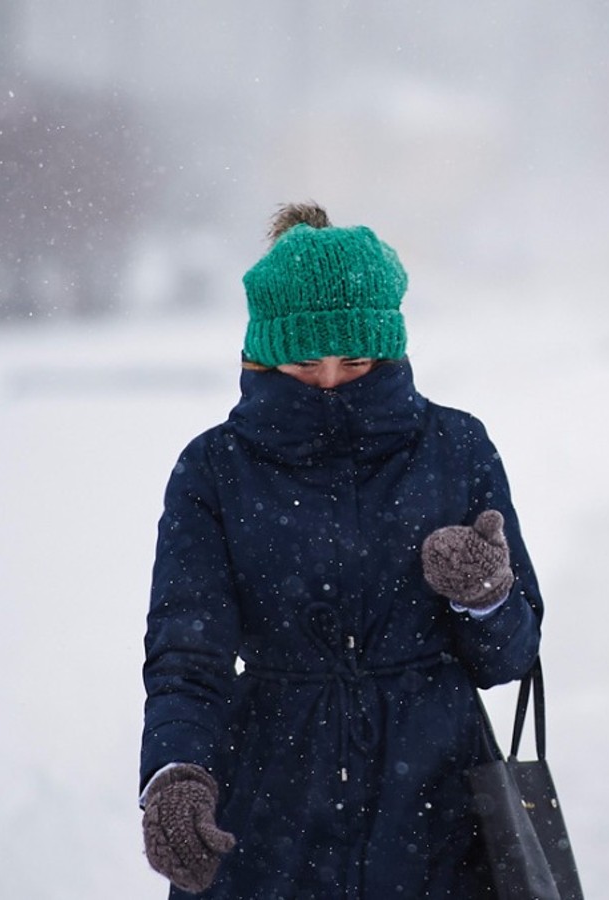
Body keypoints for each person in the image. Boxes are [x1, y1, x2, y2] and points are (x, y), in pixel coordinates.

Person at [138, 202, 543, 898]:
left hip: (438, 813)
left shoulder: (456, 448)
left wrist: (488, 598)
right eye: (304, 361)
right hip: (270, 813)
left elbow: (510, 657)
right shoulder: (214, 471)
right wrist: (175, 772)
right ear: (263, 354)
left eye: (354, 360)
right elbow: (187, 654)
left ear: (388, 349)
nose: (329, 380)